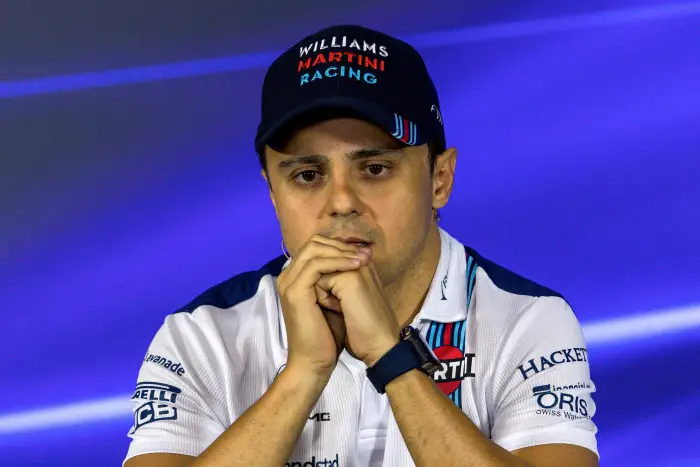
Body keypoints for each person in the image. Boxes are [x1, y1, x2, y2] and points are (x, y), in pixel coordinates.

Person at [123, 24, 599, 467]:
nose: (342, 202)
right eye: (307, 176)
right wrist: (305, 371)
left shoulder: (528, 320)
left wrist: (391, 359)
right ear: (272, 193)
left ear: (440, 179)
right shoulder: (201, 335)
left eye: (375, 169)